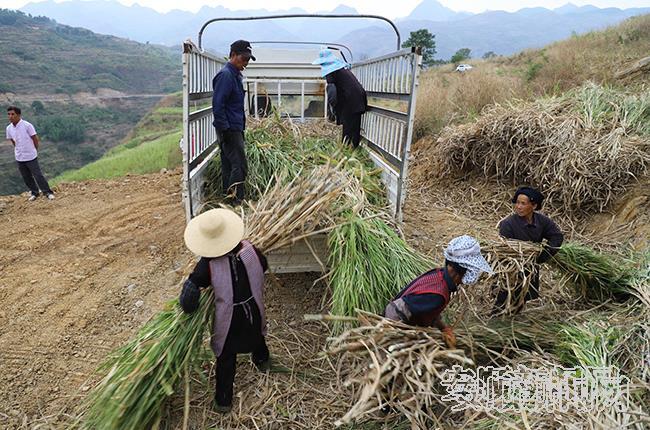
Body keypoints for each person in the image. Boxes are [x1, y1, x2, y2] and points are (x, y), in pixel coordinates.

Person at [179, 208, 271, 413]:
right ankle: (263, 361)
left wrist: (189, 294)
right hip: (254, 310)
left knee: (226, 358)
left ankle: (223, 401)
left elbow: (193, 288)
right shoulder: (250, 249)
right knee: (258, 337)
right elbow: (263, 266)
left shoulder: (208, 264)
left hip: (230, 321)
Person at [384, 235, 493, 349]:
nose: (462, 281)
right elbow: (409, 313)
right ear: (456, 271)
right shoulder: (437, 295)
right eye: (465, 275)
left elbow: (427, 311)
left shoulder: (439, 274)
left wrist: (444, 328)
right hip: (394, 323)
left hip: (399, 315)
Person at [491, 186, 564, 315]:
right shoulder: (508, 224)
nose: (518, 206)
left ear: (534, 206)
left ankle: (512, 320)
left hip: (530, 268)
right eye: (517, 203)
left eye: (523, 203)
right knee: (505, 297)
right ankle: (497, 321)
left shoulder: (542, 221)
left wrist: (544, 255)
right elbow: (506, 248)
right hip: (511, 269)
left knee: (523, 298)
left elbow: (556, 236)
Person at [212, 40, 256, 204]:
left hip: (233, 126)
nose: (245, 63)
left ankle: (228, 199)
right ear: (233, 55)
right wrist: (226, 130)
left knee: (229, 165)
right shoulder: (226, 75)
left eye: (248, 60)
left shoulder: (235, 75)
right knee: (239, 166)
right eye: (243, 58)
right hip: (229, 128)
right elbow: (218, 105)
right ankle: (236, 201)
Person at [312, 49, 367, 148]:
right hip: (359, 98)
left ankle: (346, 149)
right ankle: (354, 149)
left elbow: (332, 92)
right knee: (355, 127)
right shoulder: (341, 69)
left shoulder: (331, 71)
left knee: (348, 127)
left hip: (350, 101)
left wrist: (332, 107)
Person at [5, 106, 54, 201]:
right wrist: (18, 149)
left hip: (31, 155)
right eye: (9, 114)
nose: (10, 116)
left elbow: (35, 138)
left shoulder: (27, 125)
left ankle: (47, 192)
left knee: (38, 175)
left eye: (12, 114)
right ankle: (35, 193)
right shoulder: (8, 128)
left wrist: (34, 149)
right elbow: (13, 141)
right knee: (26, 177)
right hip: (19, 156)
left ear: (18, 115)